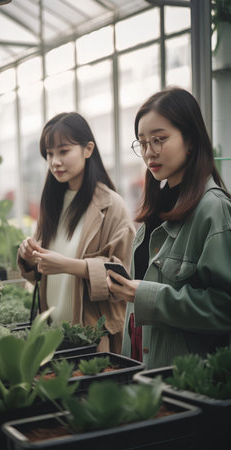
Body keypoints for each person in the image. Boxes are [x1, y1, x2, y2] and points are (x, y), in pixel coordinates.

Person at [106, 86, 231, 368]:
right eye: (143, 143)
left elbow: (225, 307)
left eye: (159, 140)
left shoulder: (213, 209)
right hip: (142, 363)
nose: (150, 152)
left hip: (184, 379)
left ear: (191, 140)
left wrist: (146, 295)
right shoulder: (159, 206)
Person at [18, 112, 135, 353]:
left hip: (91, 339)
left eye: (63, 151)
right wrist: (29, 259)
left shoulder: (112, 206)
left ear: (88, 149)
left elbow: (123, 277)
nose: (54, 161)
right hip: (51, 337)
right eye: (49, 154)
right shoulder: (52, 203)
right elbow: (41, 274)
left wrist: (68, 265)